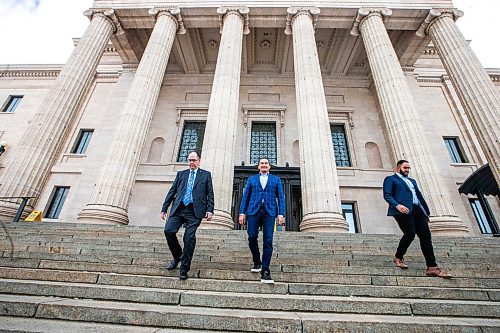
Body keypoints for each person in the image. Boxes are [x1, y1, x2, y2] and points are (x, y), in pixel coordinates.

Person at [383, 160, 451, 279]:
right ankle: (398, 257)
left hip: (418, 210)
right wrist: (398, 205)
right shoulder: (391, 179)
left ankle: (432, 267)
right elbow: (387, 195)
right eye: (405, 167)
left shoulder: (412, 181)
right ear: (398, 167)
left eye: (409, 168)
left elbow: (418, 196)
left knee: (426, 236)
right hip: (402, 210)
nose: (407, 170)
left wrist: (425, 211)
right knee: (410, 234)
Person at [161, 151, 214, 280]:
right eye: (190, 160)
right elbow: (172, 191)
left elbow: (210, 194)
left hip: (195, 211)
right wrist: (164, 208)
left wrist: (210, 209)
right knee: (168, 231)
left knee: (189, 237)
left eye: (194, 160)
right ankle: (177, 256)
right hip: (178, 209)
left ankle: (184, 268)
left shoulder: (206, 175)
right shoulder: (181, 174)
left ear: (199, 161)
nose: (191, 163)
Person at [239, 158, 285, 283]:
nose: (264, 165)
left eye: (266, 163)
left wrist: (281, 214)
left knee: (268, 240)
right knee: (252, 237)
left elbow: (281, 197)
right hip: (253, 211)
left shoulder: (276, 179)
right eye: (262, 163)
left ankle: (265, 270)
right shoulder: (251, 179)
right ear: (258, 166)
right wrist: (242, 213)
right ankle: (256, 261)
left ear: (269, 166)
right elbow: (245, 197)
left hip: (269, 213)